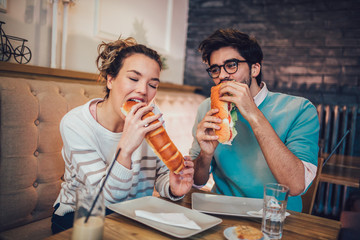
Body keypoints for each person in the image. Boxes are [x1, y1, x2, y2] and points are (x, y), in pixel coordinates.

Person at [51, 37, 194, 233]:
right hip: (80, 217)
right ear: (110, 79)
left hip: (133, 216)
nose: (143, 90)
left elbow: (161, 175)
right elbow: (105, 200)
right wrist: (125, 149)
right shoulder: (76, 123)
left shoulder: (153, 118)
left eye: (152, 84)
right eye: (134, 79)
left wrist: (171, 187)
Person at [190, 29, 319, 212]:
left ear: (255, 68)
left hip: (275, 218)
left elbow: (296, 185)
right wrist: (205, 155)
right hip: (221, 212)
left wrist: (252, 112)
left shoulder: (301, 109)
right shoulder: (206, 108)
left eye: (231, 65)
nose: (222, 76)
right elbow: (196, 181)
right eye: (215, 69)